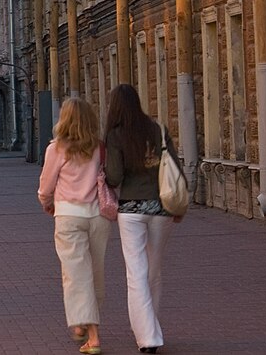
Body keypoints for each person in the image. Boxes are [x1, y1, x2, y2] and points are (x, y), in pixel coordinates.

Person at [104, 83, 181, 354]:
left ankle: (148, 336)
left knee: (136, 273)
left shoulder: (115, 135)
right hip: (162, 209)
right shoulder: (157, 129)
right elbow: (175, 167)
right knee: (154, 271)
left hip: (132, 209)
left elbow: (114, 176)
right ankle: (151, 328)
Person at [38, 96, 111, 355]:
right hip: (98, 216)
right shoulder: (100, 147)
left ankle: (93, 336)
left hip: (68, 216)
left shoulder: (56, 149)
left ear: (64, 119)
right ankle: (81, 322)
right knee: (95, 273)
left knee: (76, 276)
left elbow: (46, 187)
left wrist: (46, 203)